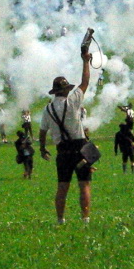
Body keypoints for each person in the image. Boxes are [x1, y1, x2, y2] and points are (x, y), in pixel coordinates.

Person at [39, 43, 94, 224]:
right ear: (66, 90)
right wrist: (85, 62)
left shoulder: (47, 109)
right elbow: (85, 82)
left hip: (62, 151)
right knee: (84, 184)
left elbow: (42, 131)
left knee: (62, 187)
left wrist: (41, 149)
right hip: (79, 147)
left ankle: (60, 220)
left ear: (55, 92)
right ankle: (85, 219)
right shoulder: (73, 102)